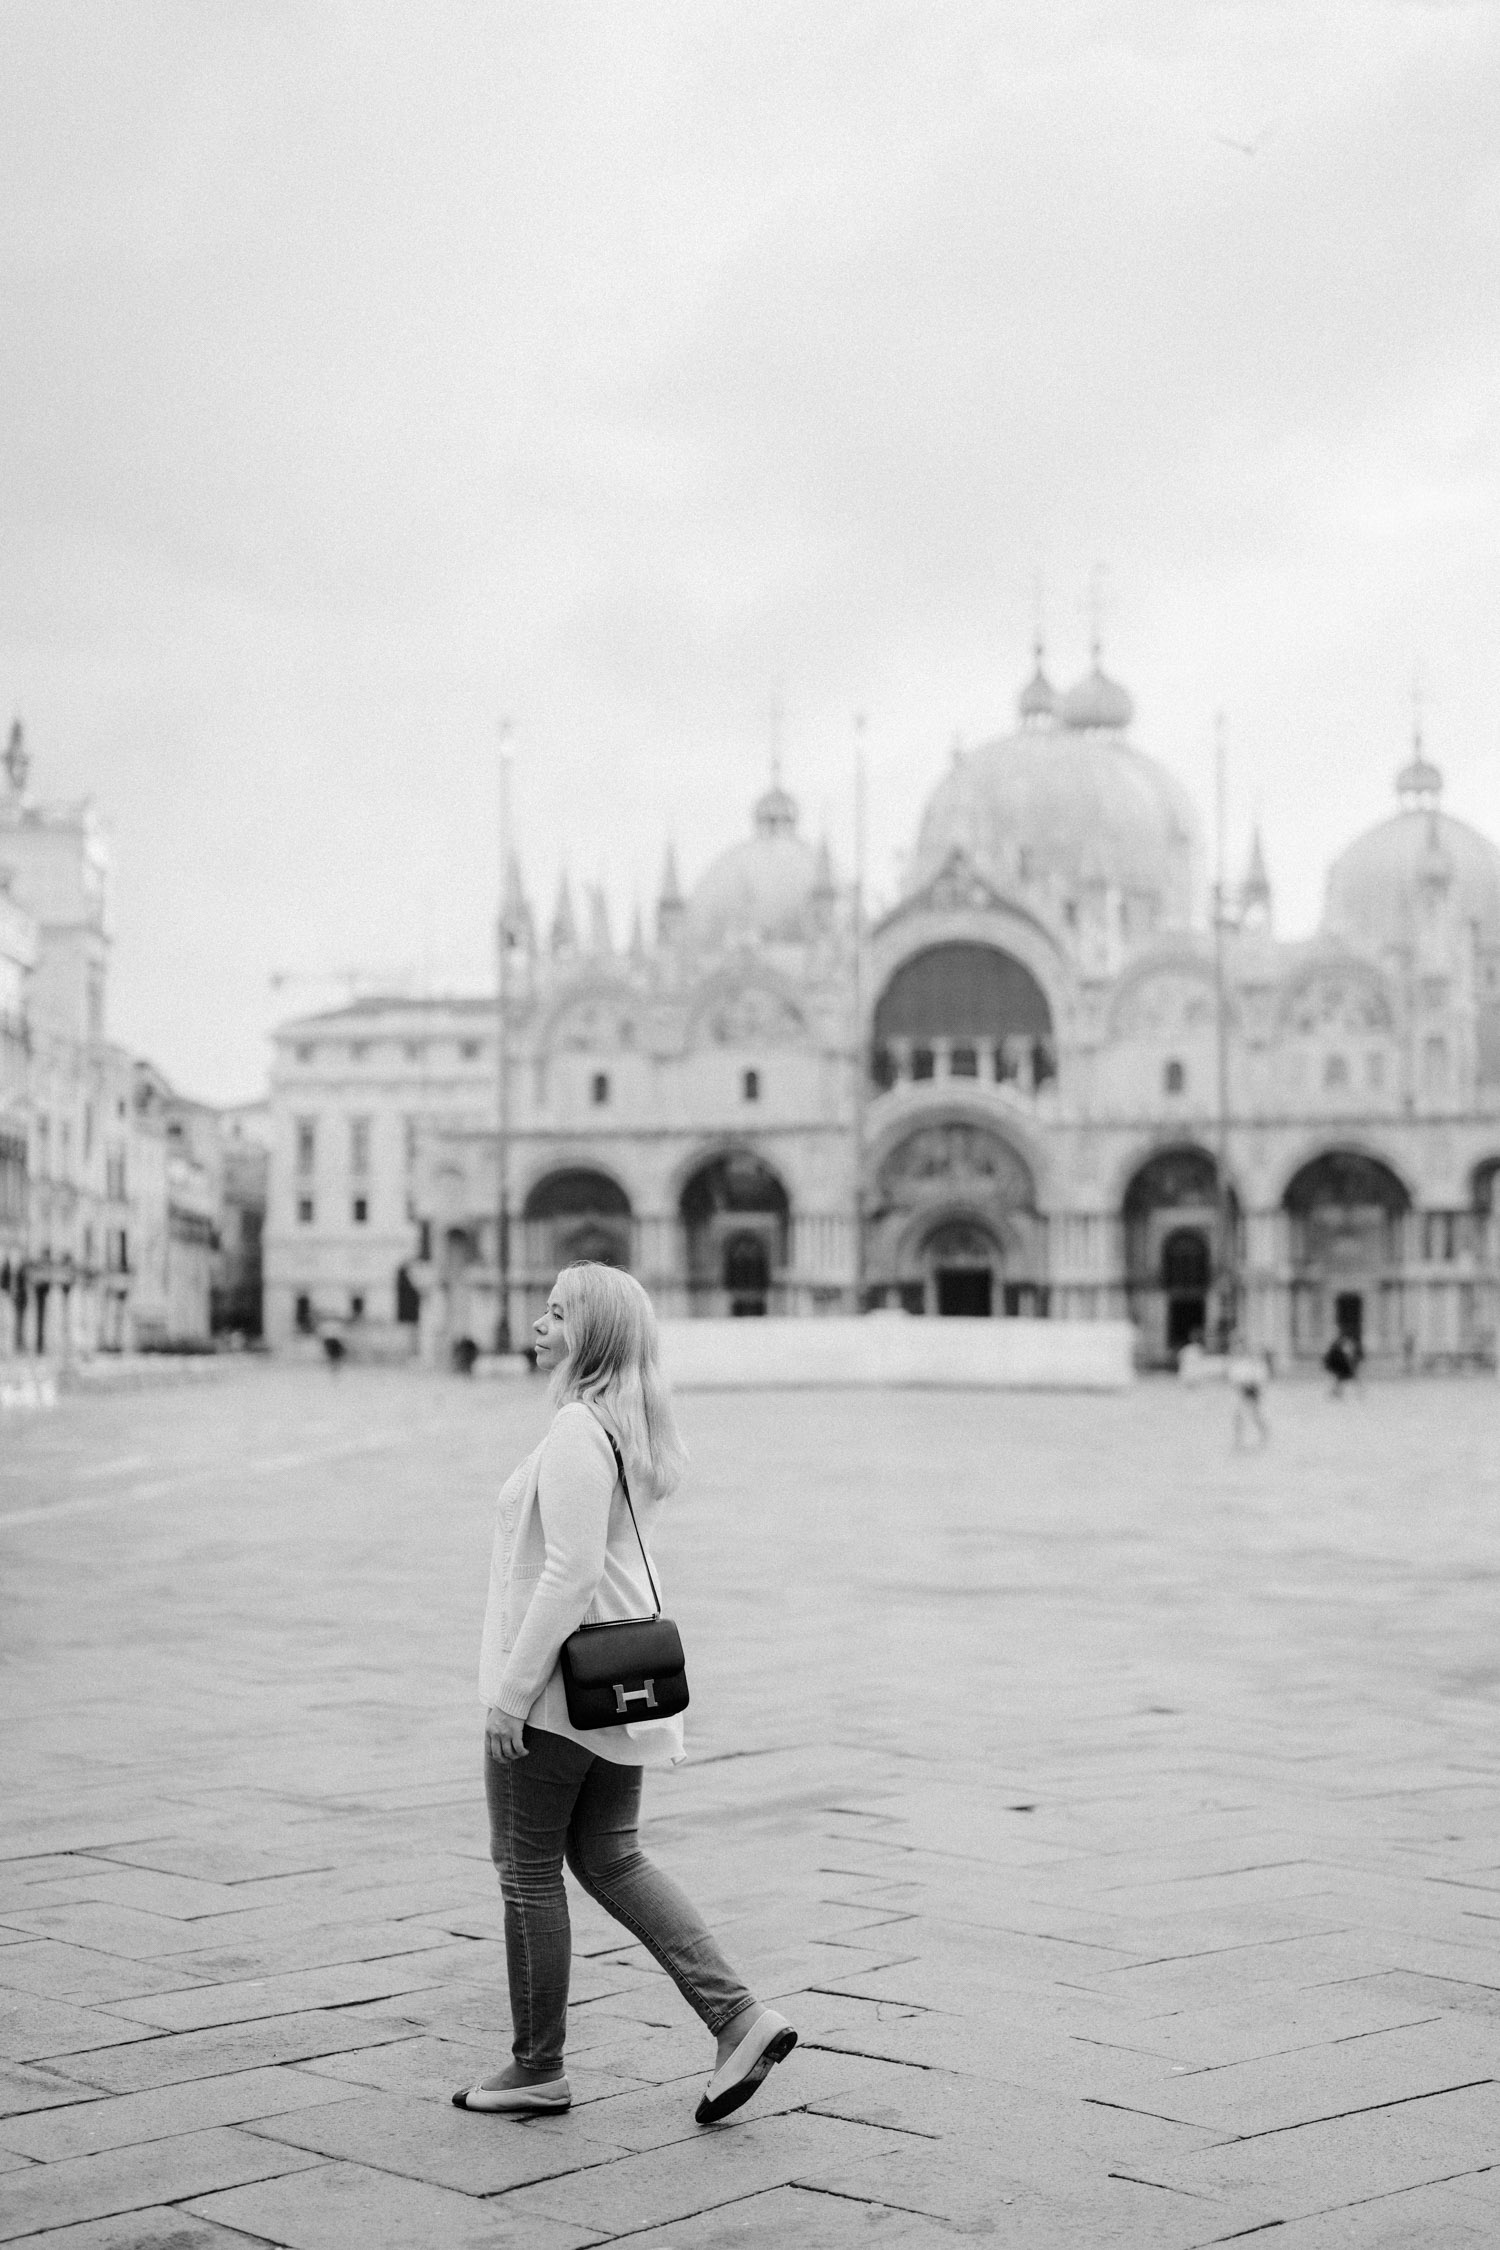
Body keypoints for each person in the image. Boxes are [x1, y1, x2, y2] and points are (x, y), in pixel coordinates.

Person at [454, 1260, 796, 2126]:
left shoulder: (578, 1426)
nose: (537, 1324)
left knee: (527, 1869)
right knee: (610, 1857)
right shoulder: (628, 1425)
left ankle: (538, 2066)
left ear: (593, 1334)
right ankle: (738, 2018)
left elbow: (567, 1576)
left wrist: (510, 1696)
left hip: (559, 1691)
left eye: (557, 1313)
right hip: (617, 1688)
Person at [1227, 1336, 1270, 1448]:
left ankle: (1264, 1437)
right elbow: (1233, 1379)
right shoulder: (1235, 1363)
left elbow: (1259, 1378)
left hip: (1251, 1393)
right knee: (1238, 1416)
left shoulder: (1251, 1363)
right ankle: (1238, 1440)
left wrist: (1251, 1386)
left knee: (1257, 1415)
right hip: (1239, 1394)